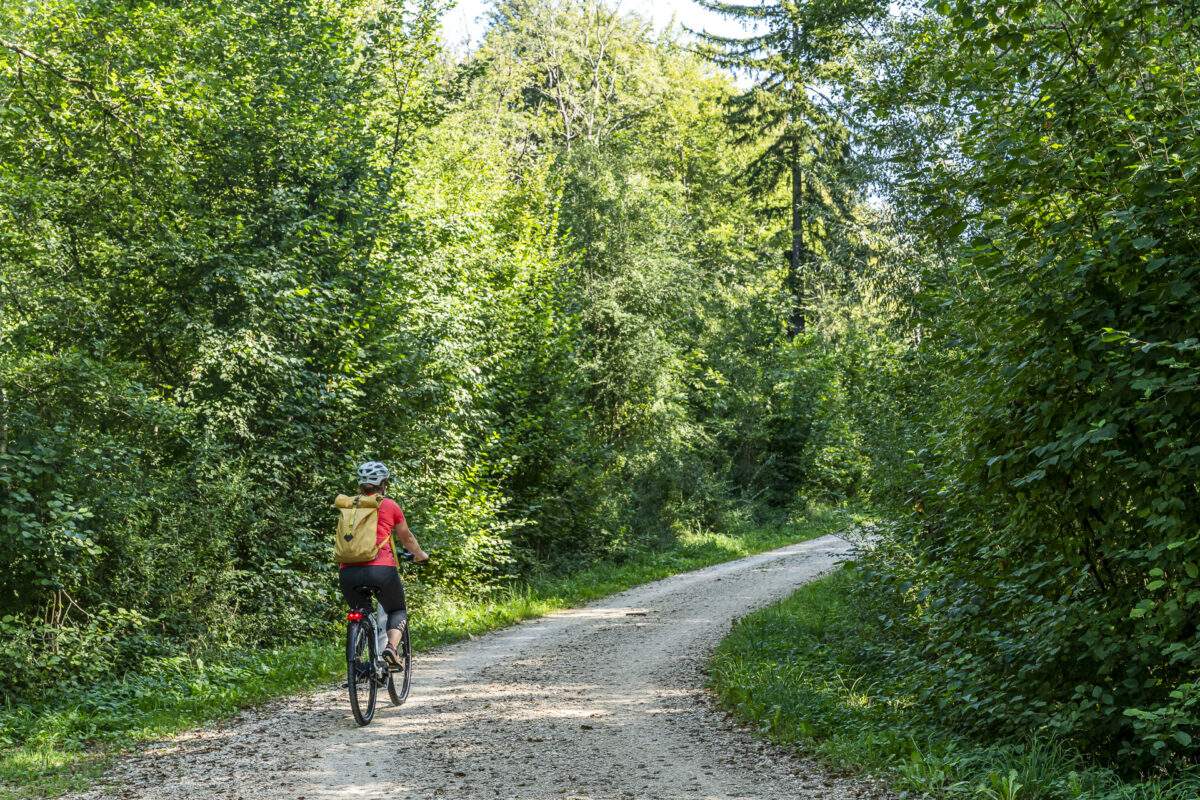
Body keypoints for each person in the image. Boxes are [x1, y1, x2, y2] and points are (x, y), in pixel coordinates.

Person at [338, 460, 429, 670]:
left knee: (358, 612)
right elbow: (407, 539)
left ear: (360, 484)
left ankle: (357, 665)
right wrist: (421, 556)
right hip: (381, 570)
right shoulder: (388, 505)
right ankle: (391, 649)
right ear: (383, 484)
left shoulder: (348, 505)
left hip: (347, 571)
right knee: (397, 610)